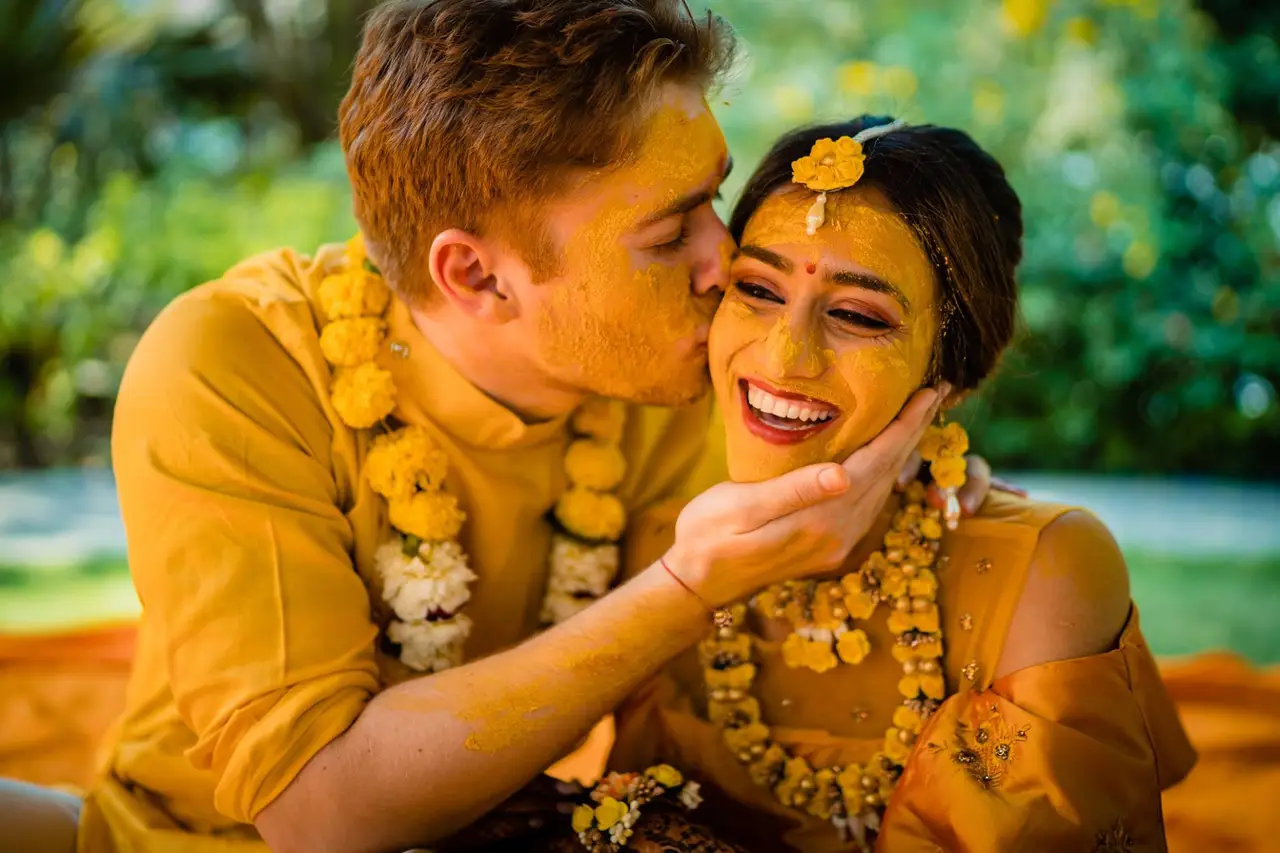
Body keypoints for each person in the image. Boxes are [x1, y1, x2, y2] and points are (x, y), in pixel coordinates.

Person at [0, 4, 1001, 852]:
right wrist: (687, 586)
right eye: (671, 229)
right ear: (475, 275)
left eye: (715, 194)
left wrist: (918, 483)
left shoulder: (677, 369)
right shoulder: (234, 364)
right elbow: (318, 811)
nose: (726, 257)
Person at [600, 117, 1197, 852]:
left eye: (855, 314)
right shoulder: (655, 549)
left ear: (946, 376)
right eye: (755, 287)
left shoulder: (1042, 568)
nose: (786, 356)